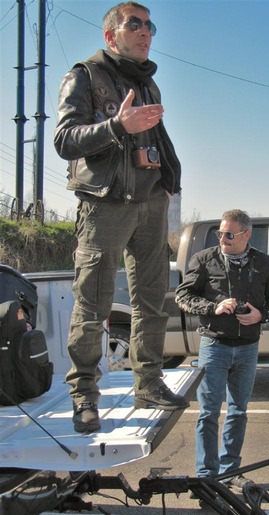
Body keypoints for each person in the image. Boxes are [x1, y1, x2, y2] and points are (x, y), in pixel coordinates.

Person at [54, 2, 188, 433]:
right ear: (111, 34)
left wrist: (168, 182)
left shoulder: (149, 85)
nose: (146, 31)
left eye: (150, 25)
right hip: (106, 203)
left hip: (151, 203)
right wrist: (117, 126)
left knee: (151, 301)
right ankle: (84, 397)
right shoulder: (85, 75)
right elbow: (64, 139)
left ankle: (148, 382)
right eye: (135, 24)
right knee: (92, 304)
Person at [175, 210, 269, 491]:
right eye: (220, 233)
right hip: (214, 345)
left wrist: (261, 315)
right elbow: (183, 296)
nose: (223, 238)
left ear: (246, 235)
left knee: (238, 411)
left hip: (248, 347)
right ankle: (206, 476)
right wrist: (213, 306)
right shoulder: (203, 259)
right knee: (208, 412)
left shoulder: (265, 263)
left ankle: (231, 471)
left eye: (229, 234)